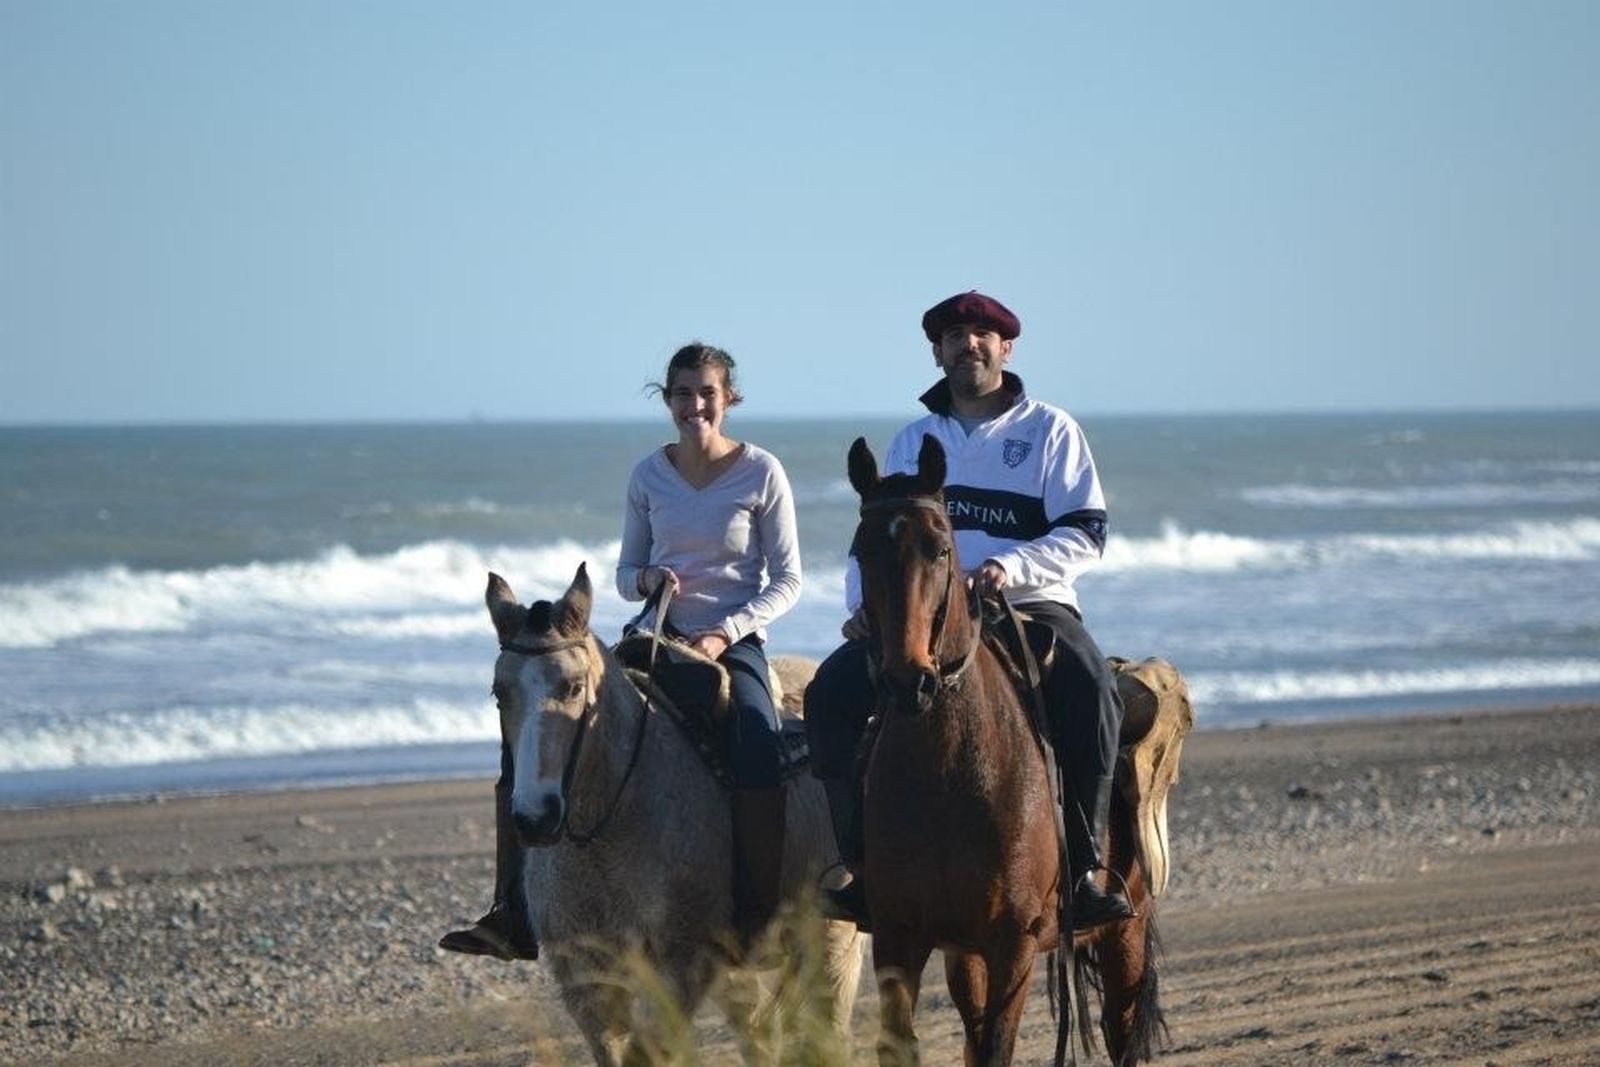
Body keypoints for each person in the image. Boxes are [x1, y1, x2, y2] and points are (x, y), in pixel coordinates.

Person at [440, 341, 802, 961]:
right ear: (668, 401)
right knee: (536, 732)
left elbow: (788, 580)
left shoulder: (762, 471)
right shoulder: (648, 474)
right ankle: (513, 912)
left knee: (756, 740)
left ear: (728, 398)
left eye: (706, 393)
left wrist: (725, 632)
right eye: (682, 394)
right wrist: (648, 581)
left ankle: (754, 909)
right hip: (654, 633)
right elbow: (624, 571)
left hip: (732, 640)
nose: (695, 406)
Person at [804, 290, 1133, 932]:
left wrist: (1010, 567)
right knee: (828, 698)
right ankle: (862, 870)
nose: (968, 344)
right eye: (954, 336)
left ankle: (1086, 870)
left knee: (1094, 690)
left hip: (1029, 606)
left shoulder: (1050, 430)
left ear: (1005, 348)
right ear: (937, 352)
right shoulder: (914, 440)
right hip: (924, 615)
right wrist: (861, 607)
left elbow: (1086, 532)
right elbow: (873, 541)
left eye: (982, 334)